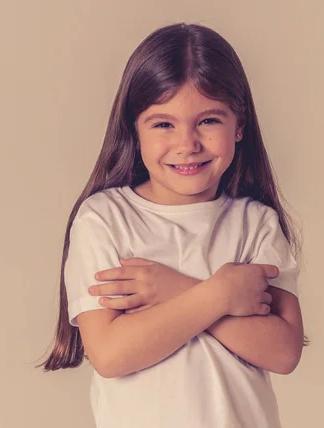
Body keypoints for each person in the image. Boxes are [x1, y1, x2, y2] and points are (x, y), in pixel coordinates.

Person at [39, 22, 306, 428]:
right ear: (135, 129)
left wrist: (175, 289)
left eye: (208, 121)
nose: (187, 144)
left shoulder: (256, 224)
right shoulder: (105, 219)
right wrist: (219, 295)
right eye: (164, 124)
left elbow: (283, 352)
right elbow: (111, 355)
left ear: (240, 125)